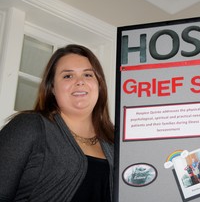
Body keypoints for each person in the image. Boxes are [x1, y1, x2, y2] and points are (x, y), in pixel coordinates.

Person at [0, 44, 114, 201]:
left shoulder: (116, 142)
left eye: (88, 75)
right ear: (52, 88)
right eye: (68, 76)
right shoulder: (29, 126)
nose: (80, 82)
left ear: (99, 85)